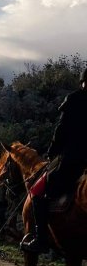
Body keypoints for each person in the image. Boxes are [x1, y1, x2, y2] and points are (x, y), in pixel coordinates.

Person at [21, 68, 87, 253]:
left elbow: (62, 129)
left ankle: (41, 239)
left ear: (82, 81)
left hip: (73, 160)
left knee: (37, 192)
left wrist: (52, 152)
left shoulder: (74, 99)